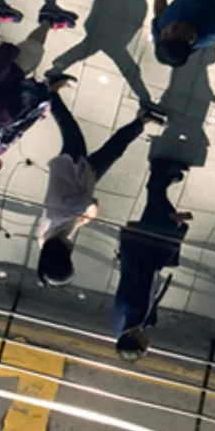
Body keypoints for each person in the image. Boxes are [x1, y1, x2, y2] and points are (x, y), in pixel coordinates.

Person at [35, 87, 165, 286]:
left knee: (71, 130)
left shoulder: (61, 216)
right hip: (82, 178)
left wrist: (88, 214)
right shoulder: (47, 241)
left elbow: (91, 204)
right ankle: (141, 120)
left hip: (74, 165)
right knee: (113, 149)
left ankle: (50, 92)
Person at [0, 0, 73, 186]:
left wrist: (47, 93)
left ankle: (48, 20)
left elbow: (24, 104)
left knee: (32, 52)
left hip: (4, 77)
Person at [112, 161, 191, 360]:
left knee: (165, 219)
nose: (148, 346)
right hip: (144, 255)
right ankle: (161, 178)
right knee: (157, 212)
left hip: (145, 252)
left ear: (133, 338)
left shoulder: (133, 312)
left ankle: (159, 173)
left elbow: (138, 278)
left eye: (143, 347)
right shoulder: (127, 324)